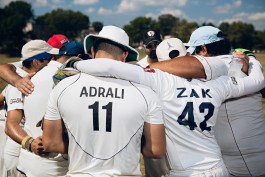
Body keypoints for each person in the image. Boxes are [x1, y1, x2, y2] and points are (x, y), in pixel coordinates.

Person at [61, 28, 265, 176]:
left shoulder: (157, 78)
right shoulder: (218, 83)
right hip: (217, 167)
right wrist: (253, 61)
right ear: (186, 56)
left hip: (184, 171)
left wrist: (75, 63)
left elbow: (109, 67)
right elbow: (256, 81)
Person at [42, 25, 166, 177]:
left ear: (93, 51)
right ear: (124, 55)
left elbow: (50, 143)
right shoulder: (147, 93)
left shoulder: (63, 87)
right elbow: (156, 150)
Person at [182, 26, 265, 177]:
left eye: (195, 51)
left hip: (244, 158)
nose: (192, 56)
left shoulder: (214, 67)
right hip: (239, 153)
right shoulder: (247, 63)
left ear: (204, 49)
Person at [4, 40, 54, 177]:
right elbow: (10, 125)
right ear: (36, 63)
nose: (52, 62)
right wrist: (29, 143)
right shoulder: (22, 83)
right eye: (49, 59)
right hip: (18, 150)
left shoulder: (24, 77)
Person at [142, 37, 188, 177]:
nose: (154, 48)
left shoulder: (152, 77)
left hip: (162, 139)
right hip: (191, 149)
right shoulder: (204, 78)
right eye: (150, 45)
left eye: (156, 44)